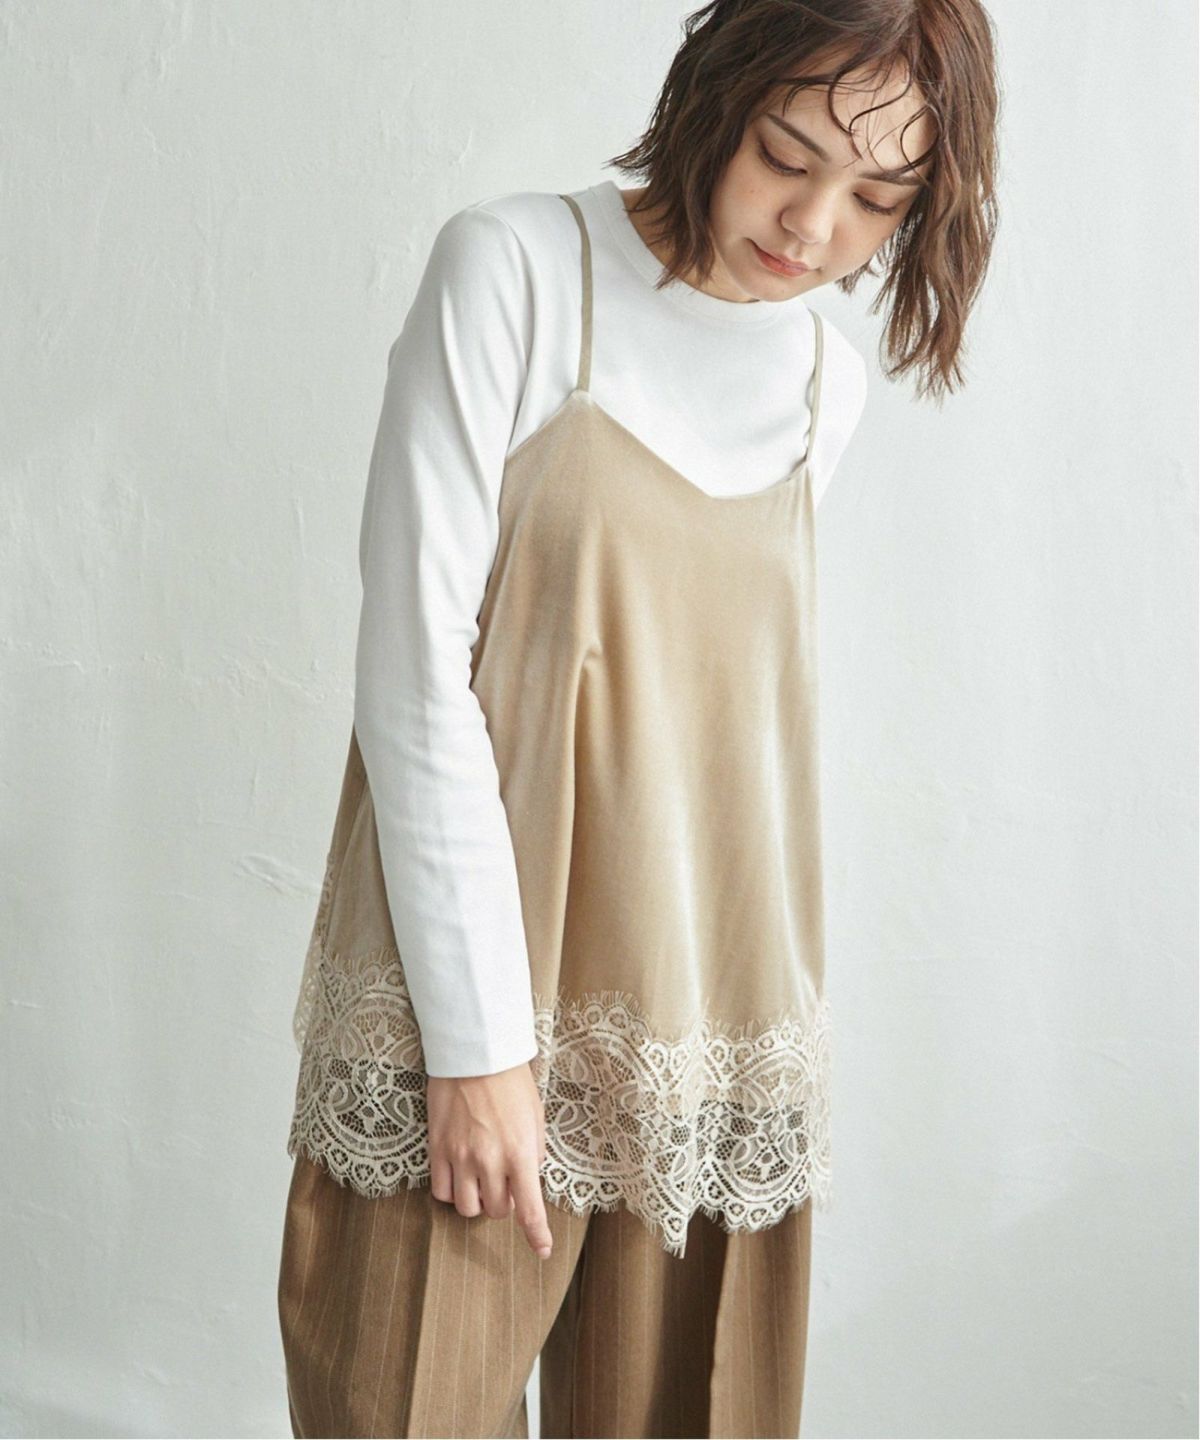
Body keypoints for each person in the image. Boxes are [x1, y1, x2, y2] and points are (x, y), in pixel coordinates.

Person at [278, 1, 1000, 1435]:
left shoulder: (824, 388)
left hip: (706, 1020)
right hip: (470, 991)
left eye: (878, 198)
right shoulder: (517, 272)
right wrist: (478, 1047)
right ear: (717, 95)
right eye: (787, 154)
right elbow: (414, 673)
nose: (815, 227)